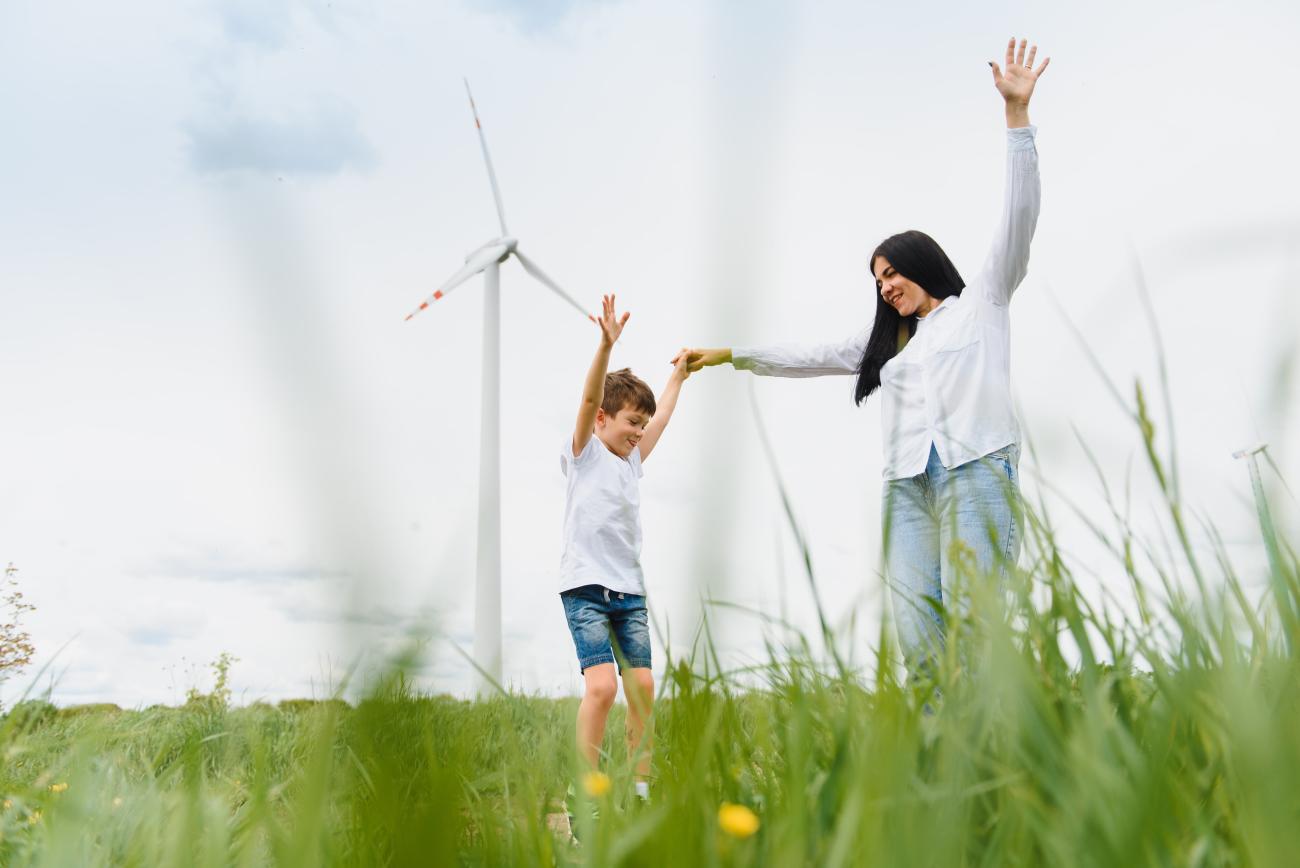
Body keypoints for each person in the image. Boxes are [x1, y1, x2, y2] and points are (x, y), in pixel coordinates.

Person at [676, 38, 1050, 677]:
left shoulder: (983, 301)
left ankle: (995, 755)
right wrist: (732, 355)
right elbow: (810, 353)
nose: (885, 287)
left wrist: (1016, 120)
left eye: (891, 273)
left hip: (977, 472)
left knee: (975, 621)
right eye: (877, 281)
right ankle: (937, 759)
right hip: (907, 488)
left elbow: (1018, 217)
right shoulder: (892, 345)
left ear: (920, 263)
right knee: (916, 626)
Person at [560, 293, 690, 802]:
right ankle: (585, 792)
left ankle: (639, 790)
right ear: (602, 422)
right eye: (630, 422)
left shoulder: (632, 463)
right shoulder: (584, 454)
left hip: (629, 593)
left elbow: (661, 421)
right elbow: (590, 399)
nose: (638, 432)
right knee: (601, 689)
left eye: (641, 424)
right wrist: (605, 348)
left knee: (643, 690)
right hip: (587, 588)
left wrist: (678, 376)